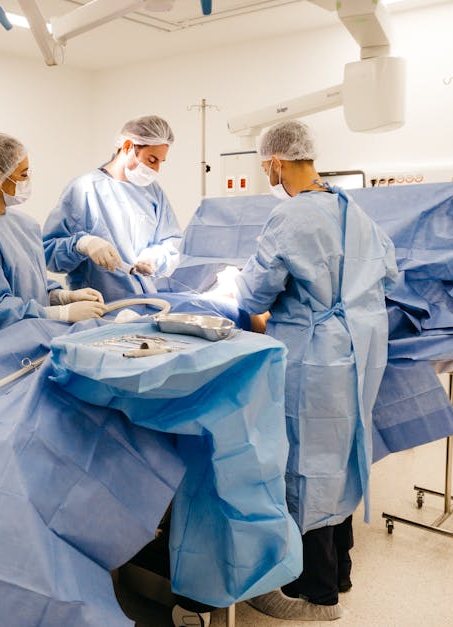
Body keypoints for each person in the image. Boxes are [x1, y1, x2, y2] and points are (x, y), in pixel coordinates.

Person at [216, 121, 398, 621]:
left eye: (264, 165)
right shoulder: (352, 209)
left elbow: (255, 294)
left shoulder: (291, 215)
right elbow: (389, 268)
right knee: (340, 458)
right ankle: (340, 568)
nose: (266, 173)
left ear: (276, 161)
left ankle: (317, 594)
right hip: (360, 346)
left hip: (316, 354)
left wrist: (236, 281)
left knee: (307, 466)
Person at [0, 132, 105, 350]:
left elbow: (29, 288)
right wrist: (61, 314)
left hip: (31, 343)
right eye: (23, 174)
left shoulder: (24, 224)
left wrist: (63, 297)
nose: (28, 180)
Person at [42, 115, 182, 300]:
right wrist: (82, 245)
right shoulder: (84, 190)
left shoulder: (153, 192)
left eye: (160, 162)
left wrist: (153, 257)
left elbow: (170, 240)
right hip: (98, 307)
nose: (156, 170)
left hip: (147, 304)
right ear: (127, 147)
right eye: (151, 159)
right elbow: (48, 253)